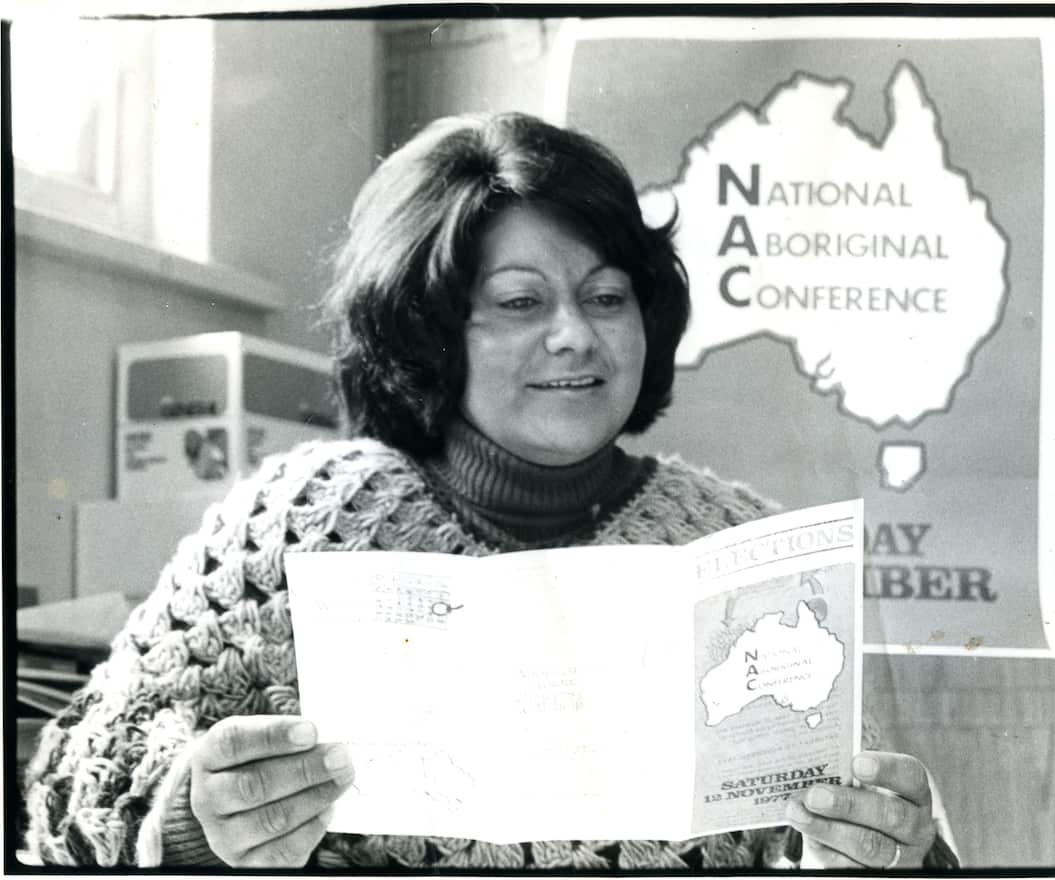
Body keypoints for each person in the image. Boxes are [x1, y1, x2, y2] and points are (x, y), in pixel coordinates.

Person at [23, 112, 959, 870]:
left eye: (606, 297)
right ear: (430, 327)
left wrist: (893, 853)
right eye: (520, 303)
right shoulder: (299, 522)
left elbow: (887, 833)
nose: (576, 338)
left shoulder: (743, 548)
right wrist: (191, 821)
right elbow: (67, 794)